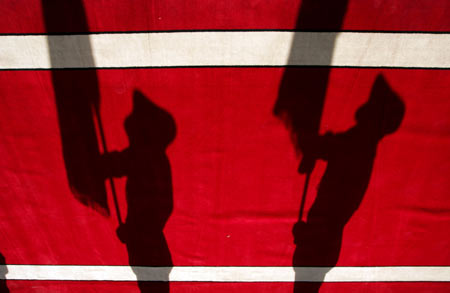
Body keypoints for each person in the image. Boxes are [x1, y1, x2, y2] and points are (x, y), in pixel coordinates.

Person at [293, 75, 405, 292]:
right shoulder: (360, 144)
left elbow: (321, 146)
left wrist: (312, 142)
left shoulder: (358, 144)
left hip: (321, 238)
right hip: (322, 239)